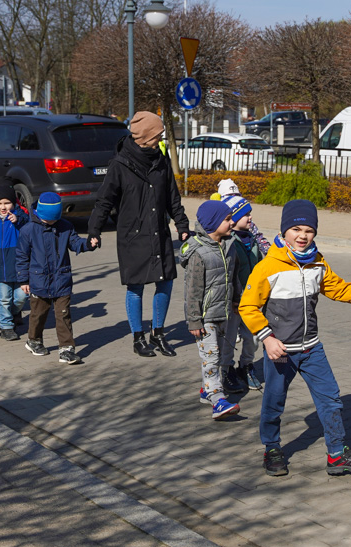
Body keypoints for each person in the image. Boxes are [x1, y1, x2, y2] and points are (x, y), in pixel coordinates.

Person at [238, 199, 351, 477]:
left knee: (332, 399)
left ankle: (337, 455)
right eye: (296, 229)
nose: (302, 236)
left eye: (309, 231)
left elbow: (338, 288)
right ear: (284, 231)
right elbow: (247, 306)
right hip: (280, 351)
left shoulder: (317, 261)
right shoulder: (269, 267)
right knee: (274, 402)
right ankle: (272, 448)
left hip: (312, 348)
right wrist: (267, 338)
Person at [88, 111, 190, 358]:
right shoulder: (120, 165)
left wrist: (183, 225)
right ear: (145, 137)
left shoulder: (161, 160)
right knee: (135, 287)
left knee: (165, 282)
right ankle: (138, 337)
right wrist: (94, 230)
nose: (160, 139)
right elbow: (104, 201)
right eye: (158, 135)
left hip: (159, 232)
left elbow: (172, 198)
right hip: (133, 235)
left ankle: (158, 333)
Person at [18, 192, 98, 364]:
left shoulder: (66, 226)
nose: (52, 223)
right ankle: (34, 340)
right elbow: (22, 257)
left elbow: (75, 243)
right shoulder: (28, 230)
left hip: (61, 279)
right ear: (40, 214)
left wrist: (88, 244)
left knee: (63, 314)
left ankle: (66, 349)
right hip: (39, 281)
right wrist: (23, 280)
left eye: (55, 220)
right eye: (48, 220)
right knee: (38, 314)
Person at [179, 200, 242, 420]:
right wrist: (194, 320)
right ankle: (217, 400)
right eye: (227, 219)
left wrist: (236, 299)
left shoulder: (229, 245)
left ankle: (208, 390)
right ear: (213, 223)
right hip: (205, 317)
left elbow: (233, 277)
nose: (232, 222)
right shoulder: (199, 252)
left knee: (224, 355)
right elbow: (193, 289)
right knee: (212, 357)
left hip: (224, 311)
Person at [222, 194, 264, 390]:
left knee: (253, 338)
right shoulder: (228, 241)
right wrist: (233, 297)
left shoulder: (254, 239)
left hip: (253, 300)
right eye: (246, 215)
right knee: (229, 338)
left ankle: (246, 366)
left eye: (250, 214)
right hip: (234, 301)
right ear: (234, 217)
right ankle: (227, 369)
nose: (250, 218)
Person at [0, 178, 30, 341]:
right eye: (0, 203)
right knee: (4, 298)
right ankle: (6, 327)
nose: (3, 207)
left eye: (7, 203)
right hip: (0, 268)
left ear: (14, 203)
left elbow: (29, 226)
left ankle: (11, 314)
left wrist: (18, 220)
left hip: (19, 267)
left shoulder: (20, 219)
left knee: (20, 297)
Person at [210, 178, 270, 254]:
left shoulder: (250, 226)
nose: (234, 199)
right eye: (230, 197)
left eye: (237, 196)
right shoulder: (223, 228)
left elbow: (259, 238)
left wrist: (268, 251)